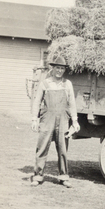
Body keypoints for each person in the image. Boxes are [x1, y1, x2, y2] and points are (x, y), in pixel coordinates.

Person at [30, 56, 80, 188]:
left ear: (64, 70)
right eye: (57, 68)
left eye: (62, 68)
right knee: (42, 147)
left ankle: (63, 176)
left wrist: (75, 121)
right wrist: (34, 119)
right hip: (47, 119)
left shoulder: (67, 84)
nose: (59, 71)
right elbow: (37, 102)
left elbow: (72, 104)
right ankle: (37, 176)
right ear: (53, 68)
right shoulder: (45, 84)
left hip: (63, 120)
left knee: (63, 149)